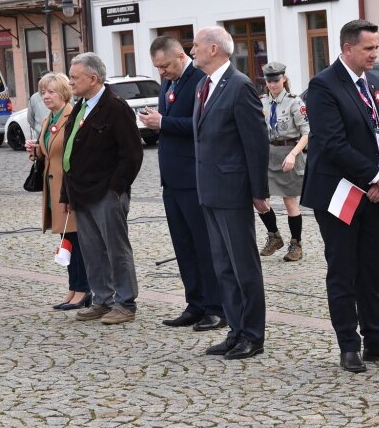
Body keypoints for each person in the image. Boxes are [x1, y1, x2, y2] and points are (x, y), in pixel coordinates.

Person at [302, 19, 379, 373]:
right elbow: (333, 143)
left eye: (376, 47)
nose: (375, 54)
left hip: (373, 193)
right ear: (348, 48)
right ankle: (348, 345)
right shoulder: (323, 85)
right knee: (344, 270)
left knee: (370, 268)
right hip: (339, 192)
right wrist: (374, 175)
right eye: (369, 48)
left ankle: (377, 340)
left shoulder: (373, 82)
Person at [191, 27, 270, 360]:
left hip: (233, 191)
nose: (190, 50)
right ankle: (235, 330)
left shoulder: (240, 87)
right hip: (209, 190)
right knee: (223, 267)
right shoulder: (203, 86)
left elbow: (256, 143)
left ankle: (253, 334)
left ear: (213, 48)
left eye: (195, 45)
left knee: (243, 267)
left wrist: (259, 192)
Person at [139, 36, 226, 331]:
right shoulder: (169, 81)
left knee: (204, 245)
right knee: (183, 245)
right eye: (157, 68)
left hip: (195, 177)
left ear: (179, 56)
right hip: (172, 179)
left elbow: (202, 123)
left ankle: (216, 306)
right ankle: (196, 302)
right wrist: (158, 120)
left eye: (164, 66)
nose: (161, 72)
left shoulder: (199, 78)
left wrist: (162, 123)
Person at [60, 52, 144, 324]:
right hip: (81, 192)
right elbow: (70, 151)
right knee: (92, 249)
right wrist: (67, 194)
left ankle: (125, 302)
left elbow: (132, 154)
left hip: (107, 192)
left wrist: (117, 188)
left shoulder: (115, 107)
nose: (71, 82)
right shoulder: (80, 107)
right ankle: (102, 299)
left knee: (115, 248)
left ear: (93, 78)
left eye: (75, 77)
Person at [25, 73, 91, 310]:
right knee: (66, 238)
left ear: (64, 92)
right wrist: (35, 150)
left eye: (51, 91)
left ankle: (83, 289)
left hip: (68, 188)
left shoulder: (72, 116)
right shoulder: (48, 119)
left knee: (76, 239)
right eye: (43, 92)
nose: (46, 96)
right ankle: (73, 287)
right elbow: (48, 151)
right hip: (53, 190)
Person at [257, 61, 310, 262]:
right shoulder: (261, 102)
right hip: (268, 154)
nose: (273, 85)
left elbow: (307, 133)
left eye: (276, 81)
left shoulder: (294, 102)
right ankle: (274, 236)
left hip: (289, 152)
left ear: (284, 79)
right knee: (261, 201)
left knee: (290, 202)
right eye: (269, 81)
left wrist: (293, 154)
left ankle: (296, 244)